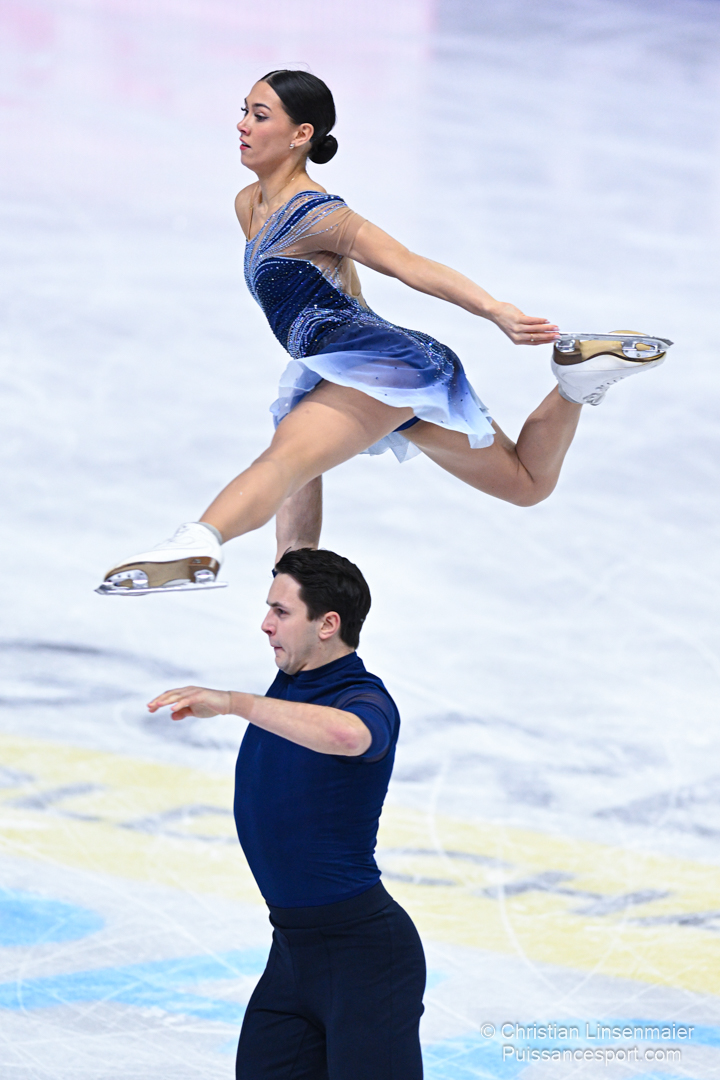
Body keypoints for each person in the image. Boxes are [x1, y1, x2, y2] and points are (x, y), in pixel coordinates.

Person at [98, 70, 668, 594]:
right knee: (526, 484)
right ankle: (573, 383)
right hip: (357, 360)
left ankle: (199, 542)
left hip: (377, 362)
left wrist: (494, 309)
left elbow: (407, 264)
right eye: (244, 111)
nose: (243, 125)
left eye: (260, 115)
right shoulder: (249, 204)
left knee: (287, 459)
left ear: (301, 135)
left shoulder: (316, 212)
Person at [147, 548, 426, 1080]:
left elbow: (350, 736)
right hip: (293, 954)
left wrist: (234, 703)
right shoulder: (296, 675)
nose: (266, 624)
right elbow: (294, 534)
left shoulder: (361, 696)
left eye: (281, 611)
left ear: (328, 625)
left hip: (366, 958)